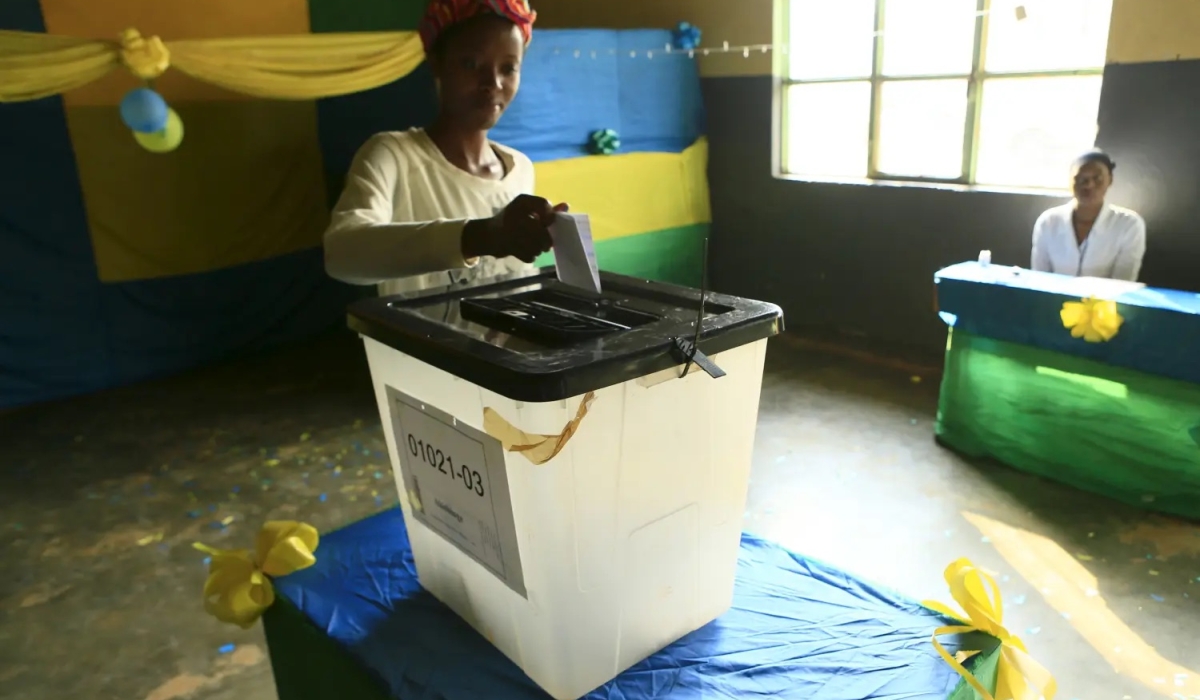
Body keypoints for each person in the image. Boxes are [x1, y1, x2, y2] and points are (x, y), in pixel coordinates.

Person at [323, 0, 567, 296]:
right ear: (436, 62)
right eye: (471, 64)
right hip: (422, 344)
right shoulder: (393, 156)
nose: (492, 83)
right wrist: (479, 236)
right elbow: (341, 255)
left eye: (508, 68)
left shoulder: (520, 168)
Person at [1030, 150, 1146, 282]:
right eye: (1081, 179)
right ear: (1070, 182)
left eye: (1097, 178)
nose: (1088, 185)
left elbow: (1123, 283)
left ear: (1110, 180)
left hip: (1104, 302)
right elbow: (1040, 278)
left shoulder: (1129, 225)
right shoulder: (1048, 222)